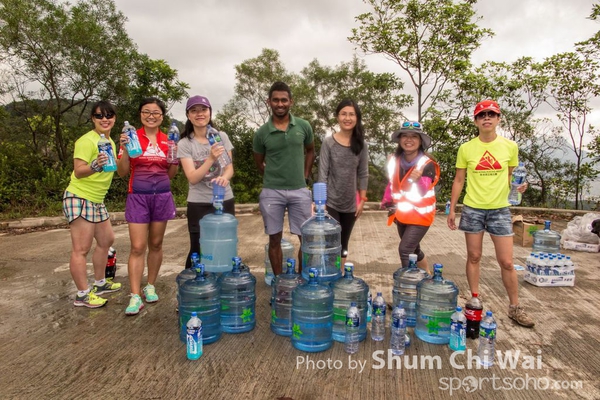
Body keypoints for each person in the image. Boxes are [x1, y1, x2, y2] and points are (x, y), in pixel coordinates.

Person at [447, 100, 534, 328]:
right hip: (473, 208)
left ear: (498, 119)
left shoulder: (509, 146)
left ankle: (515, 307)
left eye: (491, 114)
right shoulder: (466, 148)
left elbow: (512, 177)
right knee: (474, 256)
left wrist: (520, 187)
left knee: (507, 261)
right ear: (476, 121)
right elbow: (459, 180)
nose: (487, 118)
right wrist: (452, 209)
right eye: (482, 114)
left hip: (500, 209)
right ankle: (475, 299)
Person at [117, 97, 178, 316]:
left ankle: (150, 285)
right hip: (138, 197)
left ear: (162, 116)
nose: (151, 116)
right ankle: (135, 295)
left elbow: (171, 173)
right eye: (146, 112)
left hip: (161, 197)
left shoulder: (168, 140)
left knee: (156, 243)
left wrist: (174, 157)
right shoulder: (132, 137)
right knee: (137, 246)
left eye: (156, 112)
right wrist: (124, 149)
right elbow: (122, 172)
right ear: (140, 114)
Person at [62, 100, 122, 308]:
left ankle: (100, 283)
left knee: (106, 240)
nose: (105, 119)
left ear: (114, 118)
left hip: (97, 200)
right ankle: (82, 294)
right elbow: (79, 171)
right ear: (92, 119)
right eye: (99, 116)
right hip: (80, 197)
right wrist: (96, 165)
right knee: (81, 248)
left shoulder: (109, 141)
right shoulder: (86, 140)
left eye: (109, 115)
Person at [253, 81, 315, 276]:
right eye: (276, 100)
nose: (280, 104)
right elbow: (259, 162)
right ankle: (279, 283)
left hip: (299, 190)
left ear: (291, 102)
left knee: (306, 238)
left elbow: (311, 150)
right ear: (269, 102)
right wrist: (273, 178)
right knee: (274, 239)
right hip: (272, 192)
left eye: (284, 100)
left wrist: (305, 175)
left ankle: (303, 282)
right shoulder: (262, 133)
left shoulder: (303, 126)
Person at [178, 95, 234, 269]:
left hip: (224, 198)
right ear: (188, 115)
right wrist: (210, 159)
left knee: (224, 245)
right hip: (198, 202)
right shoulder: (185, 143)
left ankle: (221, 280)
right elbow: (193, 178)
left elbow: (229, 168)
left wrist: (224, 178)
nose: (199, 114)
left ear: (210, 112)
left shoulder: (220, 137)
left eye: (203, 109)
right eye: (194, 111)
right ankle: (195, 282)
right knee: (198, 247)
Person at [318, 99, 369, 266]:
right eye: (343, 114)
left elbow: (363, 173)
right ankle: (329, 273)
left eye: (351, 114)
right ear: (337, 117)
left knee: (343, 243)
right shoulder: (328, 142)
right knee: (330, 241)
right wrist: (321, 203)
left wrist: (362, 201)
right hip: (331, 202)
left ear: (357, 118)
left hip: (351, 203)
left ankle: (339, 274)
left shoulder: (361, 145)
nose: (347, 118)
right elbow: (322, 174)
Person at [386, 121, 439, 274]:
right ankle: (427, 274)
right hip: (402, 214)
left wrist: (417, 179)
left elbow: (422, 191)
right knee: (414, 249)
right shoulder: (394, 160)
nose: (409, 139)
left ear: (420, 141)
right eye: (405, 136)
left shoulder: (426, 164)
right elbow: (393, 184)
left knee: (405, 250)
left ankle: (408, 283)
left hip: (421, 216)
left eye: (414, 136)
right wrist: (390, 205)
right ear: (400, 139)